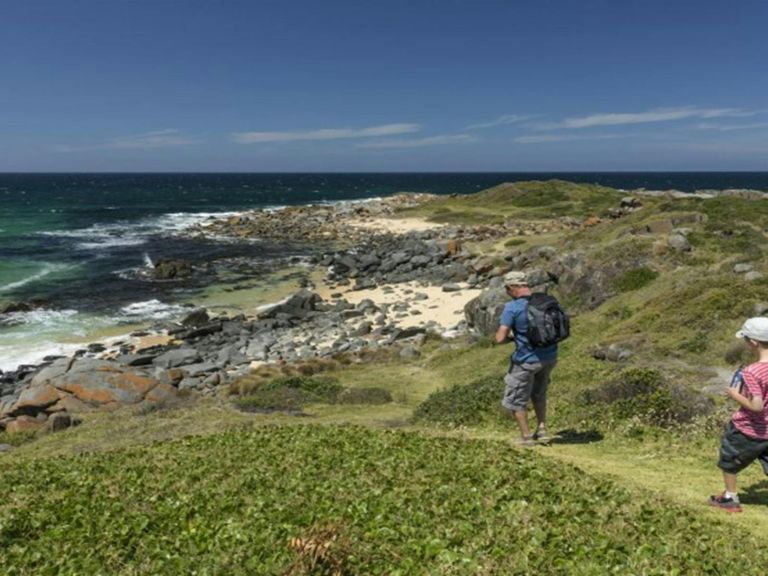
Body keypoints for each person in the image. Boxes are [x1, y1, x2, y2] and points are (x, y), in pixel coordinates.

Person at [709, 316, 768, 512]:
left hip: (748, 429)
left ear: (753, 342)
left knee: (729, 461)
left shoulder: (752, 372)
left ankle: (730, 498)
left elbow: (757, 406)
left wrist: (735, 394)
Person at [495, 270, 559, 446]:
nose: (507, 293)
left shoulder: (512, 307)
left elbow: (500, 338)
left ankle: (526, 437)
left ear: (512, 288)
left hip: (526, 360)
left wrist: (512, 337)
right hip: (550, 357)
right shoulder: (546, 301)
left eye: (507, 290)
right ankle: (543, 430)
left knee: (517, 398)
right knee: (539, 394)